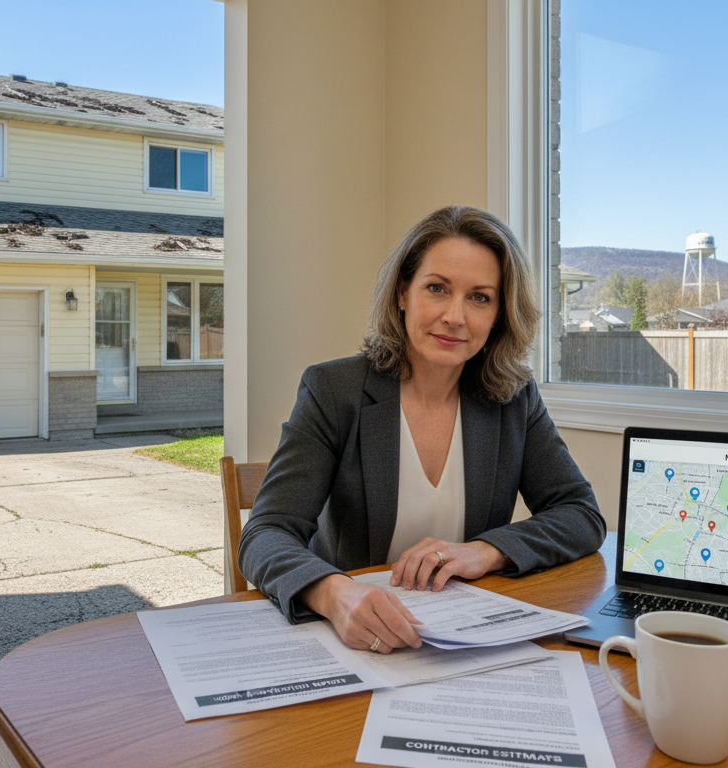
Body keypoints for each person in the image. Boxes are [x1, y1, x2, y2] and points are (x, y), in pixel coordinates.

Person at [237, 205, 605, 655]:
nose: (455, 316)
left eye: (480, 297)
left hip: (462, 640)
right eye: (437, 288)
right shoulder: (334, 390)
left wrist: (487, 550)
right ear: (402, 293)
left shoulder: (515, 398)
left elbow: (581, 515)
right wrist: (333, 593)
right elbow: (265, 532)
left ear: (499, 316)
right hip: (354, 641)